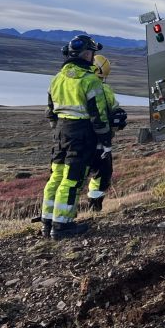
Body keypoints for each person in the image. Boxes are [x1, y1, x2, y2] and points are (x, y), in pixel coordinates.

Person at [40, 34, 110, 240]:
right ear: (87, 55)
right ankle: (62, 225)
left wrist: (59, 130)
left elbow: (50, 111)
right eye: (92, 53)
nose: (93, 57)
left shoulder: (57, 78)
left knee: (56, 177)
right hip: (81, 133)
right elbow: (99, 115)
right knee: (72, 179)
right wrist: (105, 140)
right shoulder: (90, 81)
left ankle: (47, 222)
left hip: (61, 132)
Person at [86, 54, 128, 212]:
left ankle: (63, 214)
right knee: (102, 173)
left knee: (73, 176)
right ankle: (94, 206)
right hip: (99, 140)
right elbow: (114, 111)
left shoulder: (71, 85)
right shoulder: (103, 89)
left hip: (73, 138)